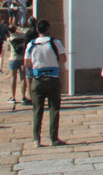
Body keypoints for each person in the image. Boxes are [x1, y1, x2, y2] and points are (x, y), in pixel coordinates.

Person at [25, 18, 67, 147]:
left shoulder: (31, 44)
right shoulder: (55, 43)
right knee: (54, 109)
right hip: (52, 78)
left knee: (37, 110)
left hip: (37, 79)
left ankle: (36, 139)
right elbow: (63, 59)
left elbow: (26, 63)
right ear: (48, 29)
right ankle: (53, 138)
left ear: (37, 30)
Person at [6, 22, 29, 106]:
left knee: (13, 78)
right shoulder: (22, 36)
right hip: (21, 59)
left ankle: (13, 96)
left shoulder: (9, 38)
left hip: (13, 59)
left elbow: (8, 49)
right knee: (23, 78)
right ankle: (23, 96)